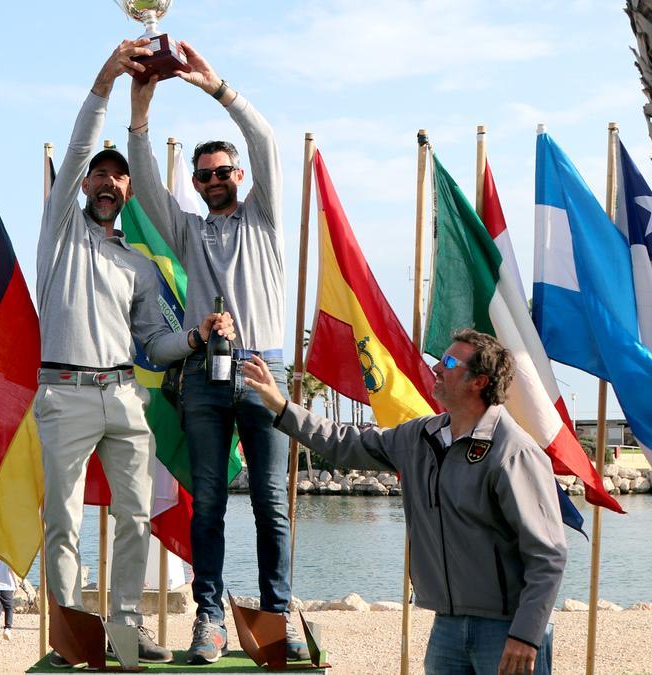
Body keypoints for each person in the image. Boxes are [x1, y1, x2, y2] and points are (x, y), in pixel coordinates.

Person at [37, 39, 236, 667]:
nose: (109, 182)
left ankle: (123, 633)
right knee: (64, 525)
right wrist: (106, 80)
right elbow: (74, 148)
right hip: (64, 393)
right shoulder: (60, 230)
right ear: (84, 183)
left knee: (134, 520)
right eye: (100, 173)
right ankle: (71, 637)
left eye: (119, 176)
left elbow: (154, 345)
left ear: (127, 191)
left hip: (124, 394)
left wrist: (198, 338)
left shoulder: (139, 266)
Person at [241, 329, 566, 675]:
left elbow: (548, 556)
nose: (437, 368)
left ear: (479, 381)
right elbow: (344, 442)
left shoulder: (513, 452)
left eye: (451, 362)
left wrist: (526, 635)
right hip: (447, 628)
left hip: (506, 630)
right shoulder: (419, 437)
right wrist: (281, 406)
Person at [126, 41, 303, 664]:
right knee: (208, 500)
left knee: (272, 502)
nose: (214, 181)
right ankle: (210, 617)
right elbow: (145, 187)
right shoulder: (189, 229)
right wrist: (140, 111)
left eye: (223, 172)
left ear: (239, 177)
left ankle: (278, 613)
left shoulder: (265, 217)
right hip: (203, 374)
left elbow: (266, 140)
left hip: (263, 371)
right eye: (203, 176)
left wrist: (214, 86)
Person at [0, 555, 17, 648]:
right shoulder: (7, 558)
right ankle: (7, 628)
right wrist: (16, 584)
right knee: (9, 609)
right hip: (7, 589)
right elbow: (12, 572)